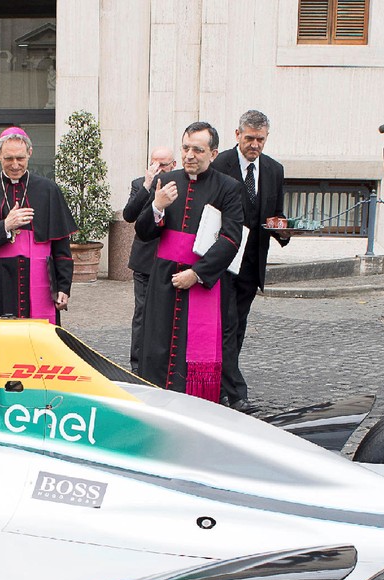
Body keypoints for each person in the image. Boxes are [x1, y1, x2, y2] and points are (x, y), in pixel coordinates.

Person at [133, 122, 243, 400]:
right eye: (185, 148)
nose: (189, 155)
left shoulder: (228, 188)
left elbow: (231, 239)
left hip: (201, 280)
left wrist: (197, 273)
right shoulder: (168, 182)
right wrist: (157, 205)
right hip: (163, 279)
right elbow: (143, 232)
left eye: (197, 149)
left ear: (213, 154)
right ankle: (155, 399)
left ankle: (194, 404)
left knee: (191, 349)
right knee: (156, 342)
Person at [209, 110, 287, 412]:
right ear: (237, 134)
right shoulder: (220, 165)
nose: (255, 145)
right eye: (250, 138)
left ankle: (223, 386)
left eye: (261, 140)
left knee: (237, 326)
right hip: (224, 261)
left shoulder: (274, 169)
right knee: (226, 325)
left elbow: (275, 213)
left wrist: (283, 229)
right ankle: (235, 391)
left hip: (252, 264)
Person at [0, 127, 74, 324]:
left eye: (20, 158)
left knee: (41, 344)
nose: (15, 164)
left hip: (41, 280)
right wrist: (5, 226)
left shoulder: (48, 190)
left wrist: (64, 287)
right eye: (9, 159)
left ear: (30, 153)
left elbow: (61, 247)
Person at [121, 145, 175, 371]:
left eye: (164, 164)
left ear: (174, 165)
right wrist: (147, 185)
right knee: (142, 315)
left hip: (171, 259)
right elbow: (129, 215)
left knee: (169, 315)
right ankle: (137, 366)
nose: (159, 168)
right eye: (155, 163)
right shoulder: (139, 184)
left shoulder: (178, 186)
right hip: (145, 260)